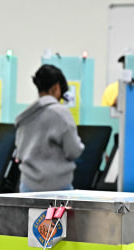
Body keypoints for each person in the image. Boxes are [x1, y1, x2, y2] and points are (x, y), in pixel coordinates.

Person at [14, 64, 84, 193]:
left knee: (31, 214)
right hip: (57, 189)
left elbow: (19, 151)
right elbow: (73, 150)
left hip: (27, 187)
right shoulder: (61, 113)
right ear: (56, 88)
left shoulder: (26, 115)